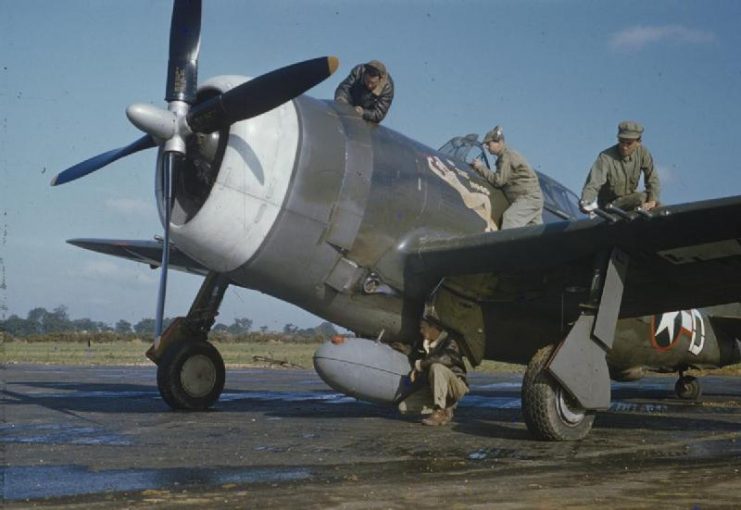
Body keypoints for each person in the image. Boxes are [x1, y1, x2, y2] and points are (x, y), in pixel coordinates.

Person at [401, 309, 469, 427]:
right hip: (436, 387)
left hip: (455, 385)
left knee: (436, 367)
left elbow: (445, 357)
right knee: (403, 407)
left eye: (423, 328)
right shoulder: (426, 344)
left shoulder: (451, 341)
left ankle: (439, 411)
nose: (421, 331)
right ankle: (447, 408)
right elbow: (419, 356)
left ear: (434, 328)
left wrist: (419, 366)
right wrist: (406, 350)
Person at [470, 125, 544, 229]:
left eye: (488, 143)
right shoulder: (506, 155)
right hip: (533, 199)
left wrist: (481, 167)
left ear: (499, 142)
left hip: (528, 198)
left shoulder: (506, 156)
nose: (486, 147)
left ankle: (506, 246)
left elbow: (498, 181)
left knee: (510, 219)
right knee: (534, 234)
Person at [580, 121, 660, 213]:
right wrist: (586, 202)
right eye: (621, 142)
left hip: (630, 201)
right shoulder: (606, 157)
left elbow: (653, 179)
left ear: (638, 142)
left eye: (629, 143)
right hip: (609, 206)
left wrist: (652, 201)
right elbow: (593, 183)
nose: (624, 147)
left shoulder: (643, 153)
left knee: (657, 205)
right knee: (642, 197)